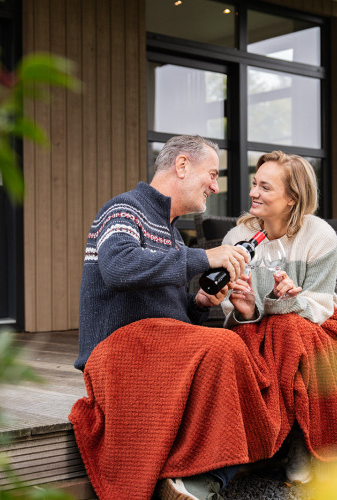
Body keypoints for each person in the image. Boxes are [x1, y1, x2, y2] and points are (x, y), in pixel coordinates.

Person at [72, 135, 254, 500]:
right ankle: (198, 476)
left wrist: (200, 303)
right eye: (213, 174)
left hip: (156, 347)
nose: (216, 186)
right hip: (117, 351)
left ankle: (195, 478)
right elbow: (119, 268)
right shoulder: (123, 210)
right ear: (182, 165)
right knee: (226, 346)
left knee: (252, 359)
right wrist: (205, 258)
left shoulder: (172, 233)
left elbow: (169, 318)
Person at [220, 150, 337, 483]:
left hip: (320, 325)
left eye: (265, 188)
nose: (253, 193)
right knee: (283, 329)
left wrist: (287, 302)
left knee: (288, 328)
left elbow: (320, 307)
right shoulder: (236, 240)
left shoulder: (320, 237)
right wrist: (249, 310)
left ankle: (298, 437)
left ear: (292, 198)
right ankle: (299, 439)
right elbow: (232, 310)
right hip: (256, 328)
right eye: (255, 184)